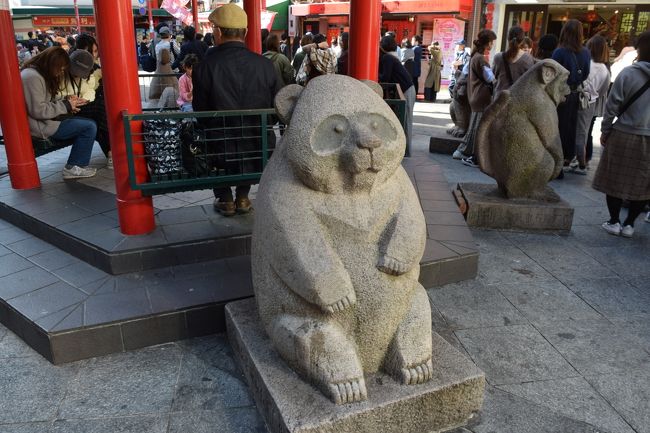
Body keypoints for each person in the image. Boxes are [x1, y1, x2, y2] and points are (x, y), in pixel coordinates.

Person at [193, 3, 280, 216]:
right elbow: (277, 108)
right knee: (251, 142)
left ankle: (225, 199)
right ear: (246, 32)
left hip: (220, 149)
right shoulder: (265, 65)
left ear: (218, 32)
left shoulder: (204, 66)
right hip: (257, 147)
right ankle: (242, 197)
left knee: (210, 138)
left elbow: (200, 112)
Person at [593, 30, 650, 238]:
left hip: (624, 133)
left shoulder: (628, 73)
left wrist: (606, 130)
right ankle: (629, 224)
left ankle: (614, 220)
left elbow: (612, 105)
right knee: (643, 184)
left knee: (614, 180)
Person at [21, 47, 97, 179]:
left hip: (46, 122)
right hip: (41, 127)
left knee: (89, 121)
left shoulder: (36, 74)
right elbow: (38, 110)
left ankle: (76, 164)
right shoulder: (32, 77)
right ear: (52, 64)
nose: (61, 72)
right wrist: (65, 105)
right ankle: (75, 166)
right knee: (89, 126)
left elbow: (44, 102)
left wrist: (67, 102)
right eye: (60, 68)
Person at [552, 19, 591, 172]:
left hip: (560, 94)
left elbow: (553, 75)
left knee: (557, 127)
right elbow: (586, 74)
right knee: (571, 128)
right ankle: (567, 158)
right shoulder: (586, 52)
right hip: (576, 94)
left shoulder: (559, 52)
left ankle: (557, 162)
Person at [456, 30, 497, 168]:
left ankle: (464, 151)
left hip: (474, 96)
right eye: (491, 42)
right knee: (478, 128)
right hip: (482, 97)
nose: (492, 44)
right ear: (487, 43)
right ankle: (471, 154)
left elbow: (465, 74)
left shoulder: (474, 56)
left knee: (475, 126)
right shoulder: (481, 59)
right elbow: (490, 78)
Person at [572, 35, 610, 175]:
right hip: (589, 102)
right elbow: (603, 90)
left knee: (571, 129)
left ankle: (575, 160)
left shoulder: (583, 62)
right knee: (583, 132)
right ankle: (582, 162)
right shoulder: (605, 70)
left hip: (574, 97)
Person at [73, 33, 112, 168]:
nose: (94, 55)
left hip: (88, 105)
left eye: (95, 51)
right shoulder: (76, 67)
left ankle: (111, 152)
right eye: (91, 51)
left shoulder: (95, 67)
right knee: (101, 111)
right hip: (75, 106)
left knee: (98, 119)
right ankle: (111, 152)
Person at [379, 35, 415, 153]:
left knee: (406, 120)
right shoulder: (393, 56)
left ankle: (406, 151)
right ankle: (405, 149)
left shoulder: (387, 58)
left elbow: (386, 77)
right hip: (408, 88)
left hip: (407, 90)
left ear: (383, 46)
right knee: (406, 119)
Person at [492, 26, 535, 95]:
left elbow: (493, 77)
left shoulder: (498, 57)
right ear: (522, 40)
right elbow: (530, 82)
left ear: (508, 39)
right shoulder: (528, 59)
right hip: (517, 101)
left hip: (499, 99)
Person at [149, 26, 179, 100]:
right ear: (169, 35)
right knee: (174, 91)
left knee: (163, 91)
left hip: (160, 71)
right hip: (173, 70)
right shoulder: (171, 44)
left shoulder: (157, 46)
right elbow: (179, 53)